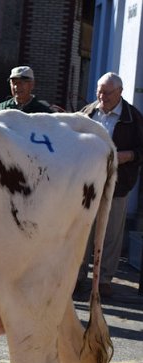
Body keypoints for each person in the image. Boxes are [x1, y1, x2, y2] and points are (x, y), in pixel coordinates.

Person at [76, 72, 143, 298]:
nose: (101, 97)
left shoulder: (133, 117)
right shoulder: (88, 112)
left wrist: (129, 155)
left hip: (118, 183)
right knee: (83, 230)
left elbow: (141, 151)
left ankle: (103, 279)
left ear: (120, 93)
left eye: (107, 93)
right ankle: (78, 277)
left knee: (111, 233)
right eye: (99, 91)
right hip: (86, 183)